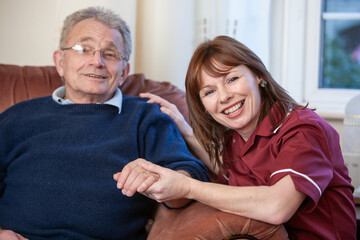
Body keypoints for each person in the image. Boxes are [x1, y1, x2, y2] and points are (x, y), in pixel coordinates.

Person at [117, 36, 357, 239]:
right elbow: (229, 171)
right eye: (209, 91)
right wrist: (185, 129)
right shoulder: (236, 136)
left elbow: (277, 207)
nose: (224, 97)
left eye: (231, 79)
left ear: (258, 76)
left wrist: (187, 187)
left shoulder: (303, 130)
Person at [0, 7, 209, 240]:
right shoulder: (16, 117)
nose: (96, 61)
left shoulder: (146, 116)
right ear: (60, 61)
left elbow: (191, 175)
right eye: (83, 49)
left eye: (110, 54)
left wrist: (163, 179)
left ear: (123, 72)